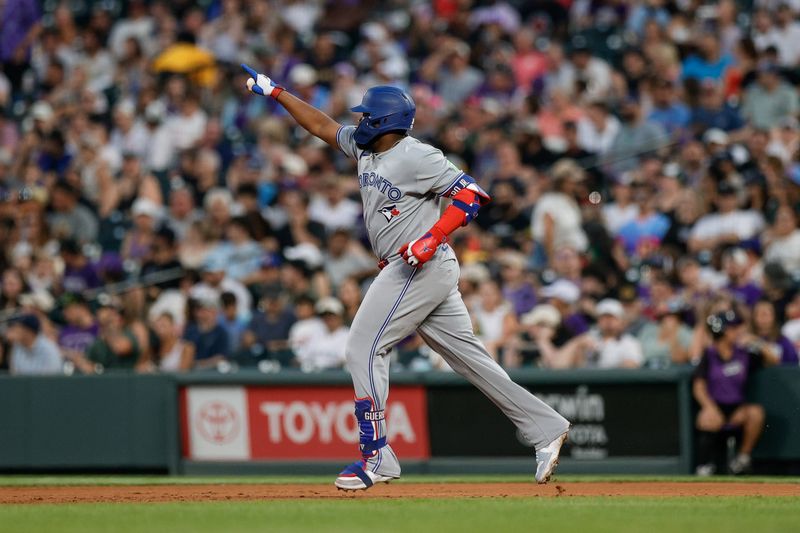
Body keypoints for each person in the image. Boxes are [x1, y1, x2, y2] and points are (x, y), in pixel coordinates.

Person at [242, 65, 570, 489]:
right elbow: (322, 125)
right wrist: (278, 93)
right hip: (415, 266)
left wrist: (432, 238)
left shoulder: (417, 154)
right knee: (470, 359)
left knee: (363, 346)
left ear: (383, 122)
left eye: (365, 116)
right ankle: (545, 427)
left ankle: (377, 455)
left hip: (419, 264)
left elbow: (471, 196)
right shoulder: (366, 149)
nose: (358, 121)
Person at [693, 310, 779, 476]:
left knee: (755, 413)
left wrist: (756, 341)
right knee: (705, 418)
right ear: (722, 331)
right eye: (732, 328)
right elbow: (698, 386)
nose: (737, 331)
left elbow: (773, 359)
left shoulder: (743, 353)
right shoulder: (709, 354)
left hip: (736, 407)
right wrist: (710, 408)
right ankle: (704, 464)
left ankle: (742, 459)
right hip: (715, 405)